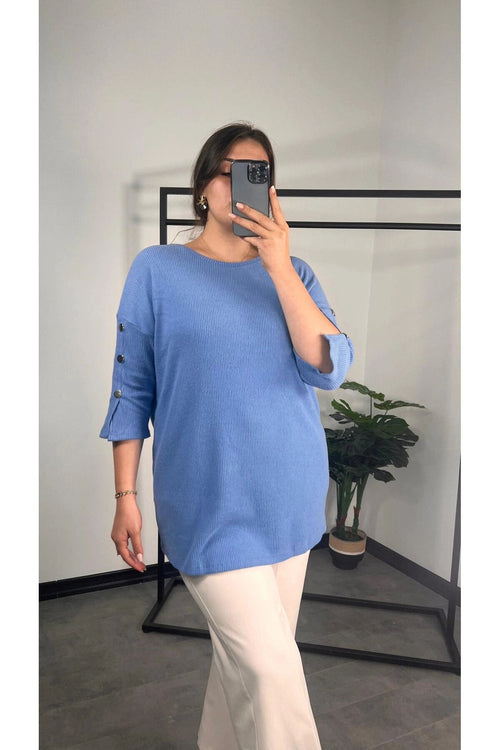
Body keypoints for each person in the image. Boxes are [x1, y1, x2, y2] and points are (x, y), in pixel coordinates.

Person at [100, 122, 354, 750]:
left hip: (288, 496)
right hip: (208, 503)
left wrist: (278, 266)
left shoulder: (294, 273)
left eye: (260, 175)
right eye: (233, 172)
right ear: (203, 187)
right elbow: (132, 389)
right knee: (270, 673)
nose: (246, 187)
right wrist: (125, 496)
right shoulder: (158, 270)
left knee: (246, 668)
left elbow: (329, 366)